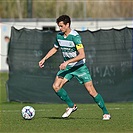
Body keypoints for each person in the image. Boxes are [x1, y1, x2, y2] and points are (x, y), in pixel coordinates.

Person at [39, 15, 111, 120]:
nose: (60, 28)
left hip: (79, 67)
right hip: (68, 68)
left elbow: (82, 55)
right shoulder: (59, 36)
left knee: (91, 91)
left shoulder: (75, 36)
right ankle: (71, 106)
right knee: (56, 86)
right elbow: (55, 49)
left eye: (61, 26)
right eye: (59, 26)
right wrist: (44, 58)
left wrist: (67, 62)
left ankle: (106, 112)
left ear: (67, 25)